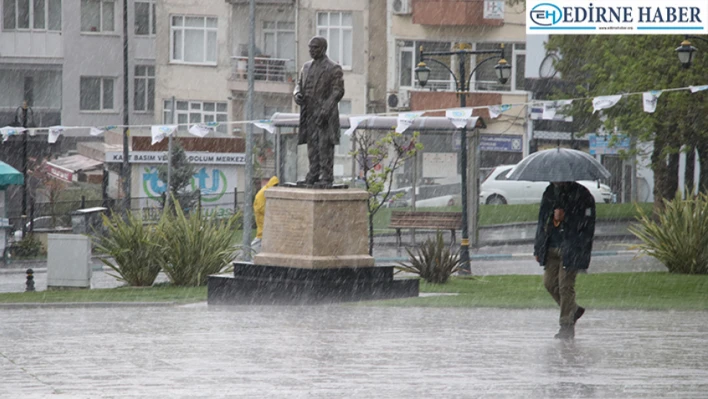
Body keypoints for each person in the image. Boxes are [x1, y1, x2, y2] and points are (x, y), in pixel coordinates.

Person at [534, 181, 596, 339]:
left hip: (572, 248)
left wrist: (566, 216)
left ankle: (566, 326)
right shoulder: (549, 192)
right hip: (551, 247)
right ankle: (573, 309)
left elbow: (587, 223)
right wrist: (538, 247)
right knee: (549, 283)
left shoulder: (582, 194)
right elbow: (542, 220)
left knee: (565, 286)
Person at [293, 36, 345, 187]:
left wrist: (325, 109)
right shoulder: (306, 67)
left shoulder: (333, 68)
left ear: (323, 48)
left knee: (325, 145)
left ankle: (327, 176)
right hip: (308, 113)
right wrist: (297, 94)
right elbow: (298, 85)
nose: (311, 50)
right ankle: (313, 173)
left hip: (325, 115)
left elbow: (337, 92)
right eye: (310, 47)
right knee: (312, 145)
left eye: (314, 48)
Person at [252, 176, 279, 253]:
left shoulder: (268, 192)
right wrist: (273, 214)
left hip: (266, 225)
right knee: (259, 240)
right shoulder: (263, 193)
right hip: (263, 223)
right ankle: (246, 255)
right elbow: (260, 208)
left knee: (262, 241)